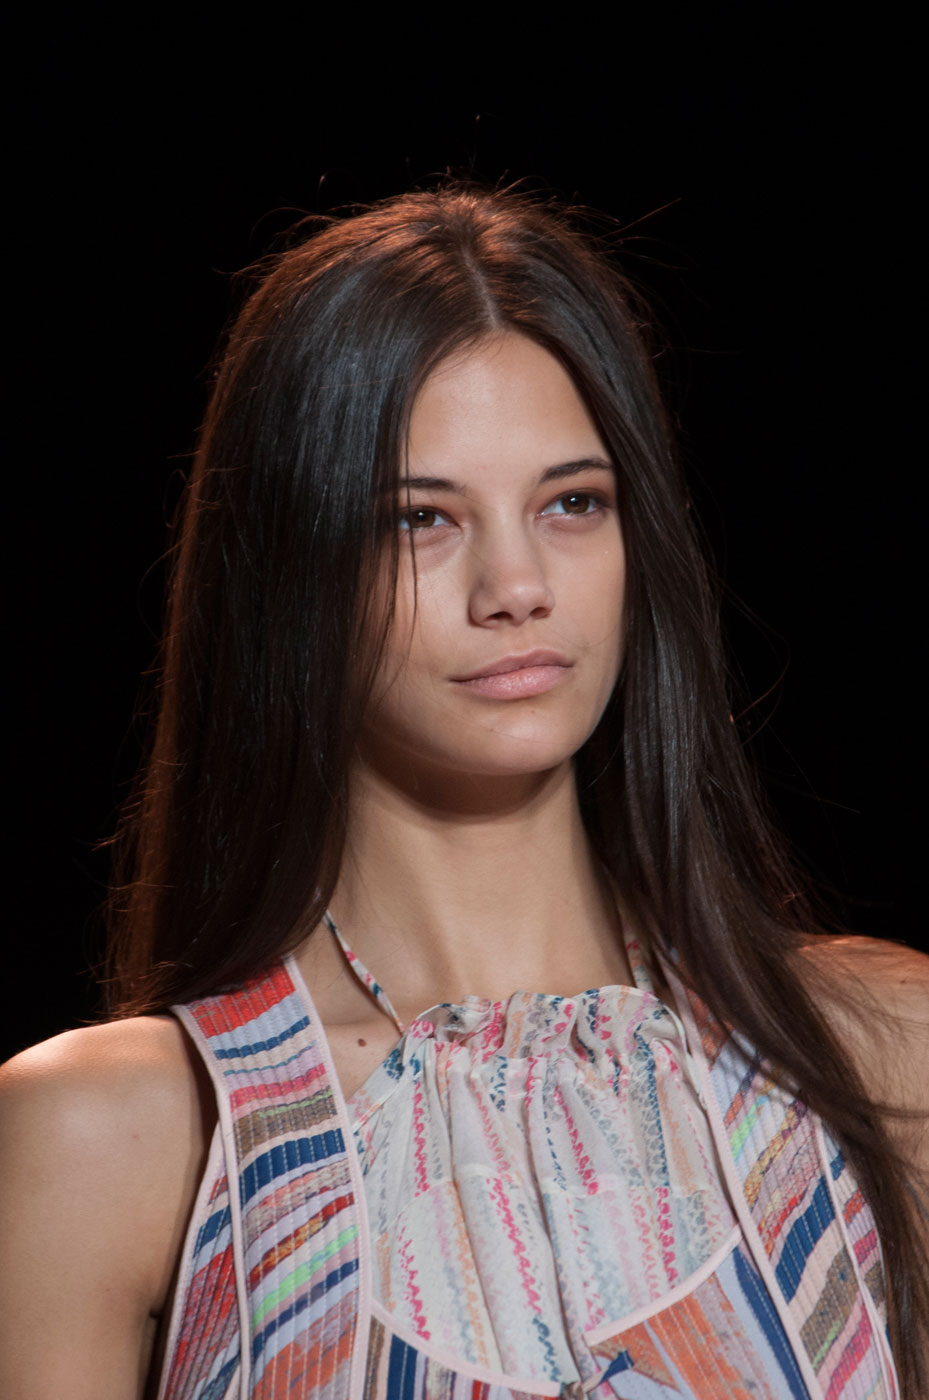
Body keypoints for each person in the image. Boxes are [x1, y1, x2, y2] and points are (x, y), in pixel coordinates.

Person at [1, 184, 926, 1400]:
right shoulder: (114, 1135)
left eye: (571, 502)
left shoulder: (880, 1055)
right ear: (290, 567)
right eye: (418, 519)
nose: (516, 584)